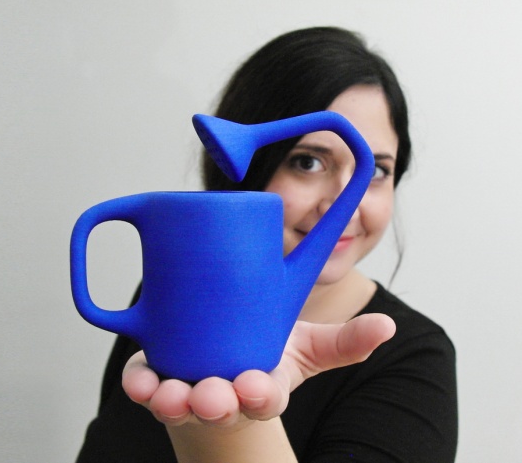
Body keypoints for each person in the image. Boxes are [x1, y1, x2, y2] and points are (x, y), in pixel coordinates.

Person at [75, 26, 458, 462]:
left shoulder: (413, 360)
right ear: (245, 175)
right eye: (307, 162)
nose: (345, 206)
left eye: (375, 171)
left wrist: (233, 425)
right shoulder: (170, 303)